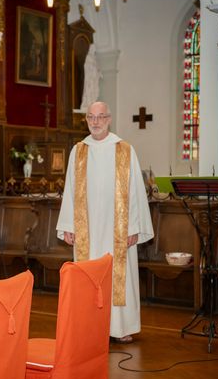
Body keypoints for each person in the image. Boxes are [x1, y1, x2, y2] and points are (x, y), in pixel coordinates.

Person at [56, 101, 154, 344]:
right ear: (87, 120)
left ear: (109, 119)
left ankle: (120, 328)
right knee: (88, 276)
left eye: (100, 117)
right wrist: (68, 224)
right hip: (87, 228)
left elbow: (135, 192)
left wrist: (133, 227)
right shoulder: (78, 151)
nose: (95, 122)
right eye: (91, 117)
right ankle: (90, 327)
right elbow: (69, 189)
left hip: (117, 230)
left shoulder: (124, 150)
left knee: (117, 275)